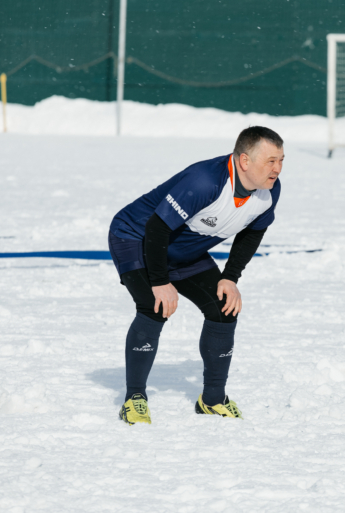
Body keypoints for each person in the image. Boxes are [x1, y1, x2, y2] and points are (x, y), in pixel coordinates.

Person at [108, 126, 284, 424]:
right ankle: (134, 398)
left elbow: (253, 232)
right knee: (154, 306)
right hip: (136, 238)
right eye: (270, 161)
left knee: (223, 309)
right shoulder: (204, 181)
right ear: (244, 161)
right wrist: (160, 281)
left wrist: (230, 277)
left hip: (183, 248)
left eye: (281, 160)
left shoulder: (269, 191)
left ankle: (212, 399)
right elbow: (157, 228)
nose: (277, 169)